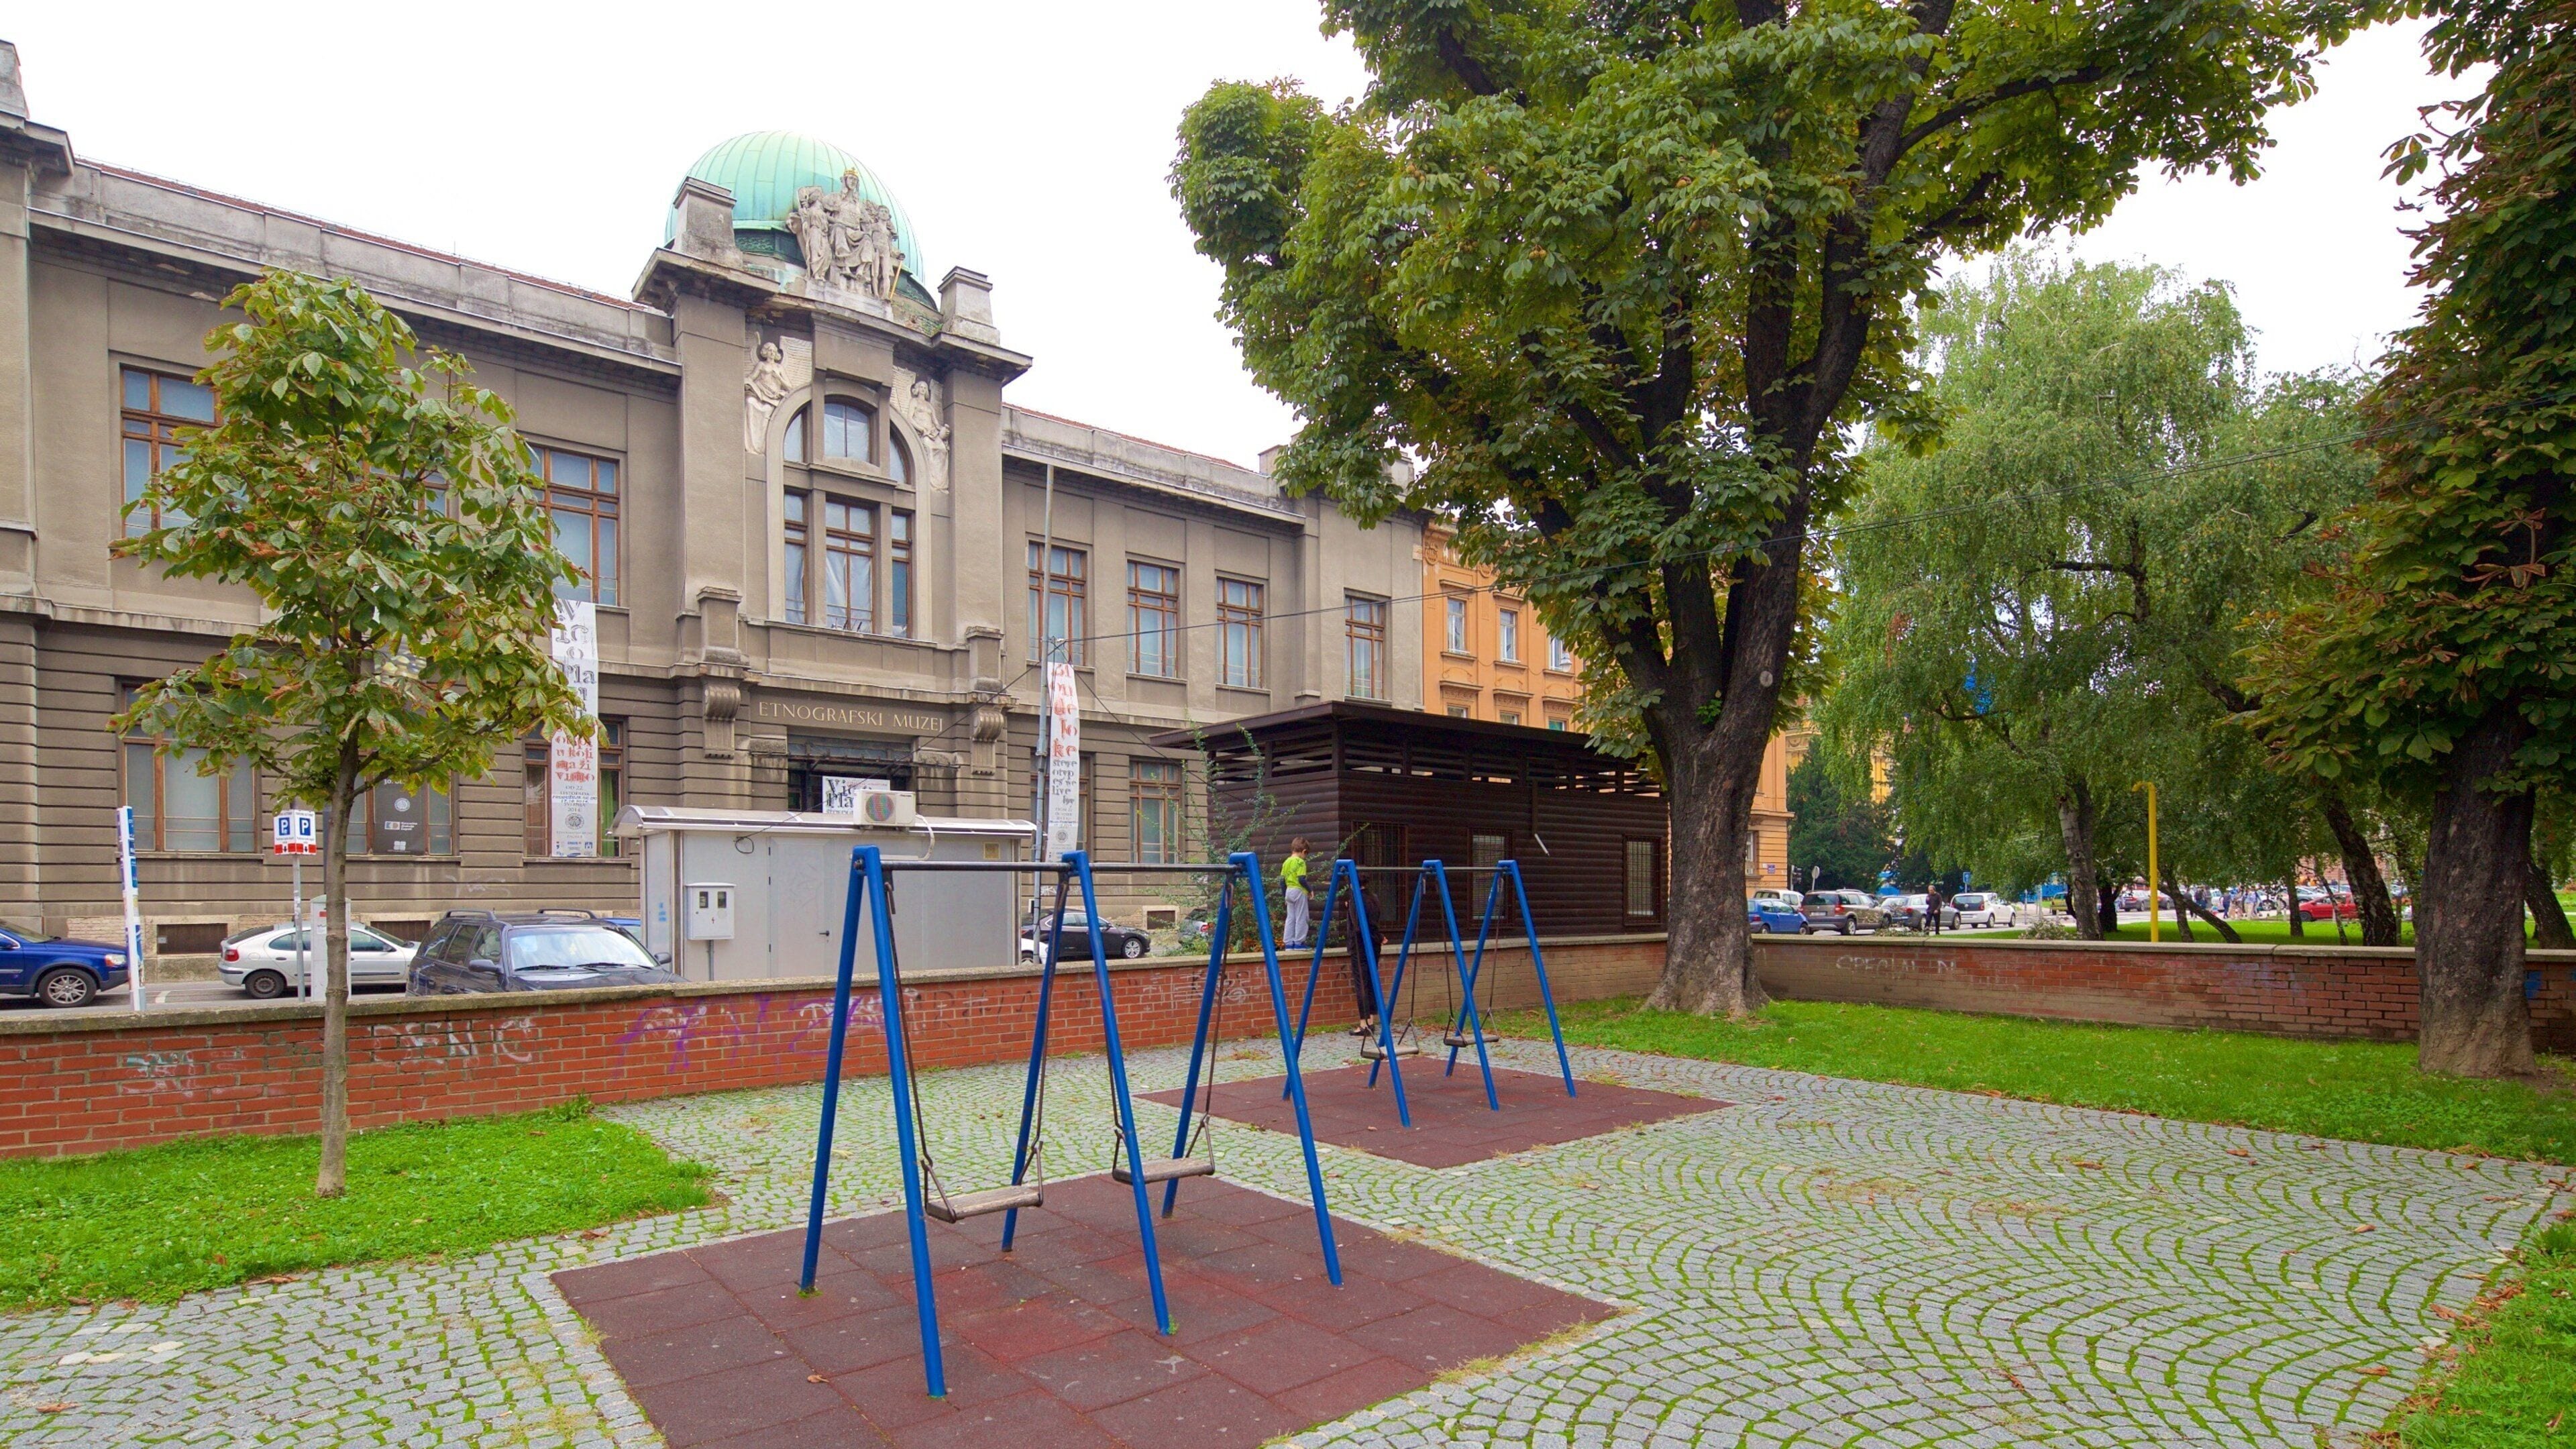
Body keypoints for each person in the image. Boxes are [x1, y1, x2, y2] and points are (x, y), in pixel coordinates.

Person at [1281, 838, 1312, 951]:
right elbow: (1302, 879)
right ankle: (1299, 942)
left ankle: (1288, 943)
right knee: (1301, 916)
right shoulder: (1300, 862)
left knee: (1290, 917)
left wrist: (1285, 895)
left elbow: (1282, 881)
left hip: (1289, 891)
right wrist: (1310, 890)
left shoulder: (1286, 862)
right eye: (1306, 854)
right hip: (1299, 891)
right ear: (1304, 852)